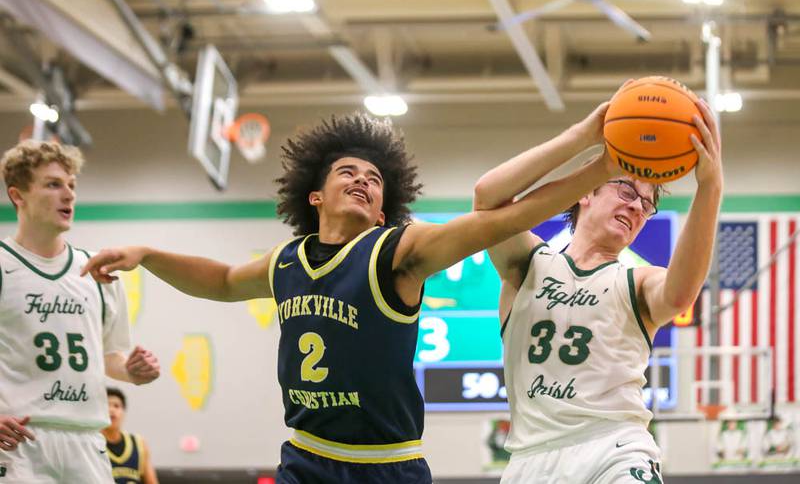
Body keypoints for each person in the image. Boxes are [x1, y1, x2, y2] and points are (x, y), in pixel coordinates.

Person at [82, 113, 618, 484]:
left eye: (374, 179)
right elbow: (222, 281)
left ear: (384, 210)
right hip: (308, 457)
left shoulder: (399, 250)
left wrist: (600, 167)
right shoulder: (287, 260)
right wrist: (148, 253)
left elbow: (500, 219)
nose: (363, 180)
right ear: (315, 196)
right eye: (348, 173)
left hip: (388, 465)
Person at [472, 87, 722, 483]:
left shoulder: (636, 280)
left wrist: (710, 188)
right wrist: (585, 138)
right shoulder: (528, 265)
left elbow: (680, 293)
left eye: (647, 204)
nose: (637, 206)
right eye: (626, 190)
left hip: (615, 449)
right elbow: (488, 198)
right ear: (587, 192)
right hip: (530, 459)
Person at [0, 140, 161, 484]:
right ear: (18, 196)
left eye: (72, 185)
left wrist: (133, 371)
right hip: (19, 441)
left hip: (88, 438)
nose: (69, 195)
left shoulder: (99, 272)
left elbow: (109, 357)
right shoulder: (2, 264)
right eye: (54, 184)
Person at [102, 387, 159, 484]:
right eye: (106, 406)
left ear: (123, 412)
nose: (111, 410)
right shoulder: (92, 443)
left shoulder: (139, 443)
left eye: (116, 406)